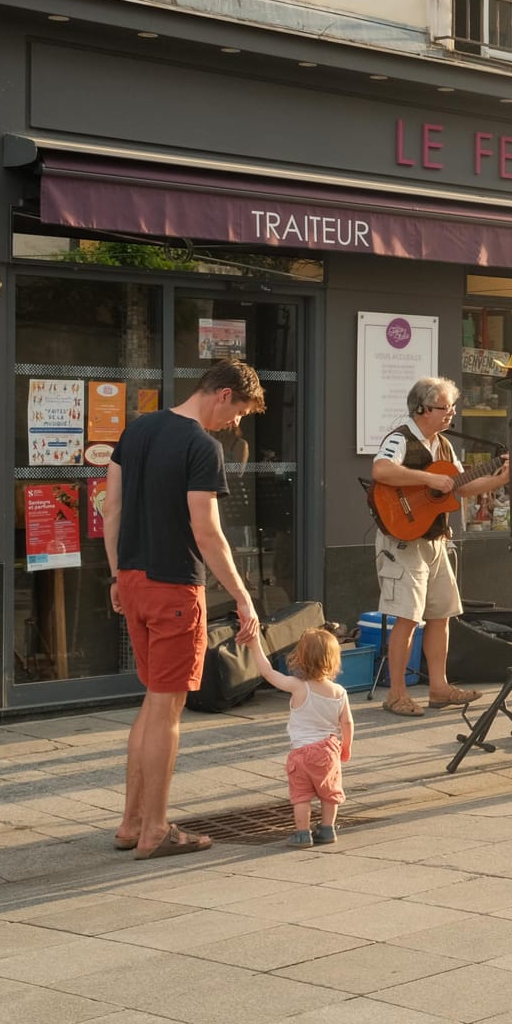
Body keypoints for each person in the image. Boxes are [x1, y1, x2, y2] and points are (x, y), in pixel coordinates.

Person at [103, 360, 266, 861]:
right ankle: (154, 828)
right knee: (168, 710)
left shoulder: (138, 429)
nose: (236, 422)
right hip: (175, 589)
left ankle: (131, 823)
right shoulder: (202, 446)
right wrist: (242, 596)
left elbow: (111, 508)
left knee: (152, 703)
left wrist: (116, 574)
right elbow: (208, 531)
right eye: (238, 411)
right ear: (222, 395)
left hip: (131, 581)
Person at [371, 376, 510, 716]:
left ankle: (439, 687)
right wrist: (428, 479)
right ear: (421, 409)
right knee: (406, 618)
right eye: (444, 408)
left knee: (441, 615)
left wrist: (503, 477)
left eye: (452, 407)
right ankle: (397, 694)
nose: (451, 414)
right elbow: (380, 470)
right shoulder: (400, 437)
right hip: (402, 541)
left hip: (434, 539)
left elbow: (461, 487)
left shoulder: (444, 446)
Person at [252, 627, 354, 848]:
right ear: (334, 660)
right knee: (329, 792)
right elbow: (347, 723)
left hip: (300, 754)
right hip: (328, 751)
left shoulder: (298, 687)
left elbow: (268, 673)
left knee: (301, 796)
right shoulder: (339, 692)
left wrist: (254, 645)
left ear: (300, 658)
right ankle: (327, 830)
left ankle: (302, 833)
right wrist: (345, 746)